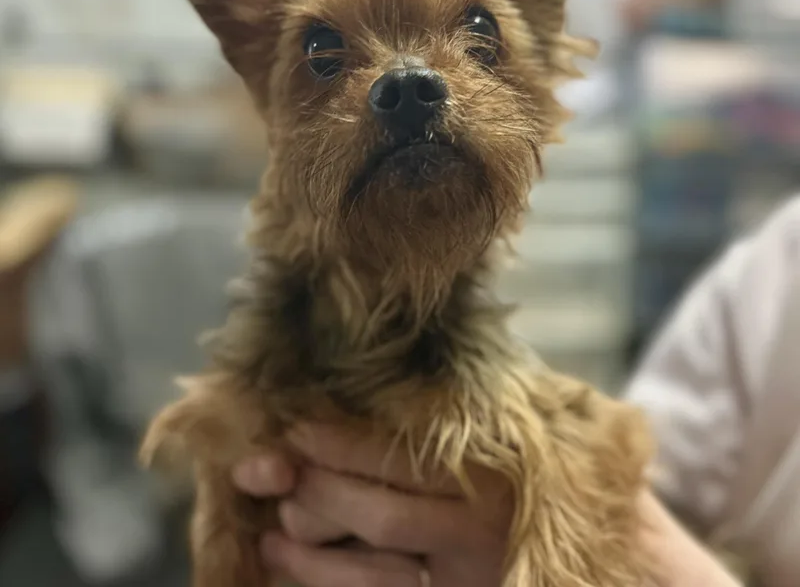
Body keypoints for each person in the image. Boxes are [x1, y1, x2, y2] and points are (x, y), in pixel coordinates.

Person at [232, 196, 800, 586]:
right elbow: (654, 474)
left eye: (477, 38)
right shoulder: (774, 270)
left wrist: (632, 557)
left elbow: (633, 508)